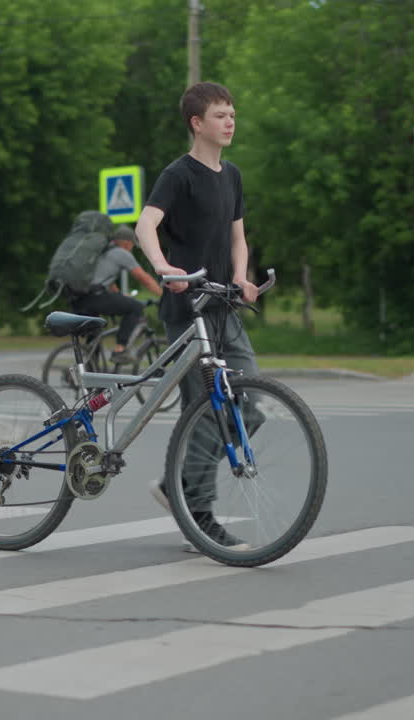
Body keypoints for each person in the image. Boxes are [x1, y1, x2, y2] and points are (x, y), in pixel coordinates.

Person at [134, 80, 258, 551]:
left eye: (232, 113)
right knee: (205, 411)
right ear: (197, 123)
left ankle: (175, 490)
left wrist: (243, 277)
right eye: (221, 114)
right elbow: (147, 224)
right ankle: (199, 516)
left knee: (246, 399)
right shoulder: (178, 174)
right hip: (187, 311)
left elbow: (237, 238)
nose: (230, 121)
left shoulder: (232, 175)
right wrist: (163, 266)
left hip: (225, 306)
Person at [68, 225, 163, 362]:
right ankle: (120, 349)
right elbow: (144, 279)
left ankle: (89, 369)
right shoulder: (121, 253)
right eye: (132, 245)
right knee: (135, 307)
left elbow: (107, 281)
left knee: (94, 337)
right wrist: (164, 295)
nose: (131, 248)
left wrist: (120, 297)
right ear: (126, 242)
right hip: (94, 297)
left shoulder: (102, 252)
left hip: (79, 297)